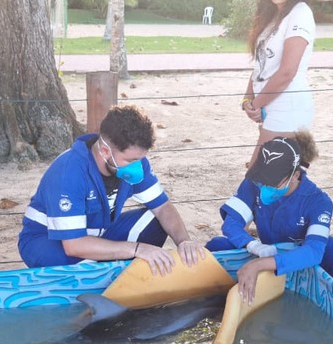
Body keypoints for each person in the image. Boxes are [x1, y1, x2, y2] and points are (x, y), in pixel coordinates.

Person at [18, 105, 203, 276]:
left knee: (157, 221)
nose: (138, 165)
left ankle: (115, 270)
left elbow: (163, 208)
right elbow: (73, 245)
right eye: (130, 161)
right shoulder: (69, 171)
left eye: (141, 158)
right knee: (74, 265)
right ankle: (109, 271)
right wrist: (137, 249)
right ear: (105, 151)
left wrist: (183, 241)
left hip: (98, 235)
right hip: (49, 241)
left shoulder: (134, 161)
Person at [206, 131, 333, 304]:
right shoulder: (252, 184)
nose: (265, 185)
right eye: (262, 179)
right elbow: (231, 223)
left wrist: (261, 265)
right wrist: (252, 245)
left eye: (273, 181)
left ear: (295, 176)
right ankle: (217, 303)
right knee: (216, 246)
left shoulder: (318, 201)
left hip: (297, 260)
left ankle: (332, 299)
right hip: (264, 250)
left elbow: (313, 252)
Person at [241, 0, 315, 166]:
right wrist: (247, 98)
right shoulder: (272, 15)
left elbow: (287, 72)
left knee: (260, 176)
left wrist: (256, 105)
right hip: (269, 104)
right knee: (279, 178)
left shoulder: (300, 13)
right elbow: (261, 66)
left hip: (287, 107)